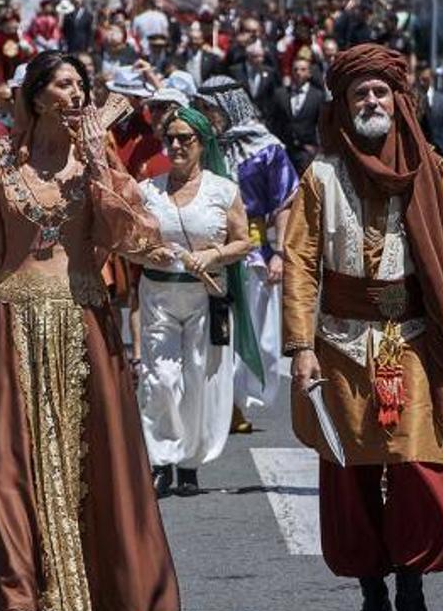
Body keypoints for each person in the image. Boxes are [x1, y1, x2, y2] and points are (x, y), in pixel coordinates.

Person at [0, 51, 180, 611]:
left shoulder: (96, 159)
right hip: (13, 319)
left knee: (98, 461)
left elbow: (127, 232)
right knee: (11, 465)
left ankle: (111, 592)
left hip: (84, 318)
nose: (76, 93)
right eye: (62, 84)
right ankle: (19, 600)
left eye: (81, 84)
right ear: (34, 96)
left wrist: (102, 162)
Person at [284, 43, 443, 611]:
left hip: (411, 342)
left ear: (398, 102)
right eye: (359, 94)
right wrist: (300, 348)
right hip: (341, 345)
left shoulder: (429, 174)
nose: (371, 101)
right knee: (353, 474)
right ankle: (373, 596)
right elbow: (299, 263)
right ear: (342, 107)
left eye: (380, 92)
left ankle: (413, 589)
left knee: (418, 469)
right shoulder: (320, 176)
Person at [137, 106, 255, 497]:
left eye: (185, 138)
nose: (175, 145)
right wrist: (142, 255)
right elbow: (128, 242)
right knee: (161, 379)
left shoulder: (223, 190)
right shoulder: (148, 190)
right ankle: (161, 458)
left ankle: (188, 464)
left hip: (205, 296)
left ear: (202, 144)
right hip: (159, 295)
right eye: (170, 138)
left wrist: (214, 256)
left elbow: (243, 240)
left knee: (198, 379)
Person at [194, 76, 299, 431]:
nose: (205, 115)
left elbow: (285, 203)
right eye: (202, 108)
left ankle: (240, 399)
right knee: (216, 327)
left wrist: (280, 253)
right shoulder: (200, 146)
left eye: (209, 108)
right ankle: (220, 403)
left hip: (253, 251)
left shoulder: (267, 148)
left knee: (256, 332)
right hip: (208, 250)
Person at [275, 52, 324, 174]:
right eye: (295, 69)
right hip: (284, 150)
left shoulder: (317, 96)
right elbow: (273, 121)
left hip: (307, 151)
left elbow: (322, 123)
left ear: (309, 73)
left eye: (303, 69)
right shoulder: (280, 94)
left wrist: (317, 148)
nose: (298, 72)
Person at [415, 62, 443, 170]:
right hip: (420, 154)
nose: (421, 83)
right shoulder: (412, 99)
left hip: (442, 153)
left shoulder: (442, 100)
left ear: (431, 79)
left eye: (425, 79)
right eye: (419, 79)